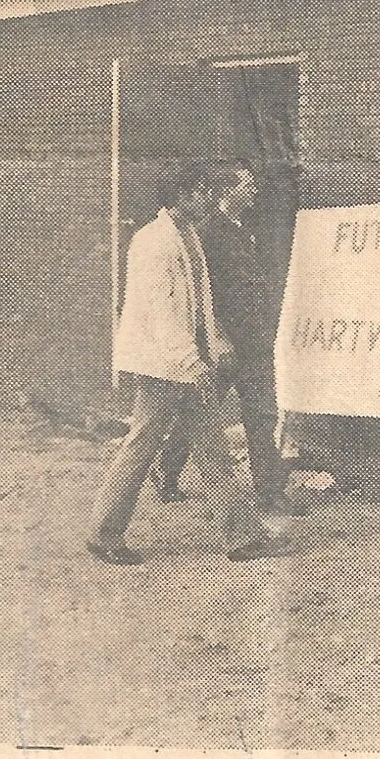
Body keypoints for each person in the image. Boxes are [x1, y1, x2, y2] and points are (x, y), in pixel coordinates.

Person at [89, 165, 284, 563]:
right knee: (141, 446)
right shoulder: (154, 242)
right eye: (200, 191)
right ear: (180, 195)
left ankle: (242, 537)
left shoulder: (188, 235)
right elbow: (162, 313)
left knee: (213, 450)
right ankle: (104, 534)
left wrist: (208, 348)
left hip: (187, 363)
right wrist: (191, 363)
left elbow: (198, 306)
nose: (208, 198)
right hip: (163, 367)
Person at [201, 161, 305, 515]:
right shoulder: (208, 234)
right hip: (225, 345)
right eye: (247, 185)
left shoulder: (244, 229)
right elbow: (203, 295)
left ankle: (270, 491)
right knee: (200, 412)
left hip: (255, 342)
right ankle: (167, 466)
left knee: (261, 415)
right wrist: (218, 337)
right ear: (227, 190)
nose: (254, 191)